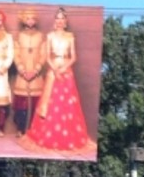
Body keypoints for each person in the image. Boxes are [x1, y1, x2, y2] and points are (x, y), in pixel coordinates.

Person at [20, 8, 92, 154]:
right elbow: (47, 57)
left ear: (65, 22)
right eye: (57, 19)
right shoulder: (50, 36)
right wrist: (55, 70)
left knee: (66, 105)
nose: (59, 22)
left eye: (62, 19)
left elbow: (73, 57)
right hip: (53, 72)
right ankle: (48, 136)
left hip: (66, 72)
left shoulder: (70, 36)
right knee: (50, 104)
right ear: (55, 21)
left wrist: (63, 68)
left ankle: (67, 137)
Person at [11, 8, 47, 135]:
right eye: (28, 18)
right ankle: (21, 129)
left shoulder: (40, 36)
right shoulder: (19, 36)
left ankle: (33, 130)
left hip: (36, 76)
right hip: (22, 75)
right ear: (24, 20)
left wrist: (36, 70)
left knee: (35, 104)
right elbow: (16, 54)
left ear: (36, 20)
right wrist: (22, 70)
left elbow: (44, 55)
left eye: (32, 18)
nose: (30, 21)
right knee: (21, 106)